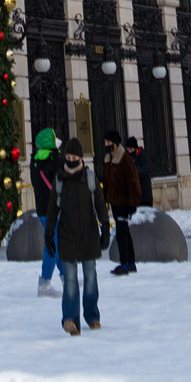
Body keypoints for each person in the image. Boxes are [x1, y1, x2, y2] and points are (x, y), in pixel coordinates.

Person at [44, 136, 110, 334]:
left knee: (90, 277)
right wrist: (48, 233)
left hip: (88, 234)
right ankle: (70, 319)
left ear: (81, 158)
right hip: (67, 235)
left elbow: (100, 204)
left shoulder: (90, 178)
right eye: (68, 156)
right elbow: (52, 210)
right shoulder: (59, 179)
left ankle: (92, 315)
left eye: (74, 156)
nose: (70, 160)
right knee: (70, 279)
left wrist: (105, 227)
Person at [30, 127, 64, 297]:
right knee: (53, 245)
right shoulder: (55, 160)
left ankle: (66, 277)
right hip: (55, 208)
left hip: (42, 208)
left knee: (55, 242)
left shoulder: (35, 161)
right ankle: (44, 283)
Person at [101, 129, 141, 274]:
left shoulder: (125, 160)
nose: (106, 144)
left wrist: (133, 203)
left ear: (115, 144)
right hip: (114, 201)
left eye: (108, 142)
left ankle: (124, 264)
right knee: (124, 231)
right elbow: (106, 181)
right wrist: (104, 199)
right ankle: (130, 263)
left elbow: (133, 182)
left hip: (124, 202)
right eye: (105, 142)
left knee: (121, 232)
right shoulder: (108, 160)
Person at [126, 135, 153, 209]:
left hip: (145, 196)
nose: (130, 151)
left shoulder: (143, 156)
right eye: (128, 149)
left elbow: (145, 169)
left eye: (131, 149)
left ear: (135, 148)